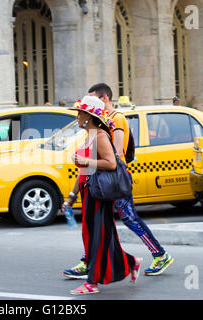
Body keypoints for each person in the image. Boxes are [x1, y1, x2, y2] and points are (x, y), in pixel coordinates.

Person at [63, 83, 173, 279]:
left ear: (104, 99)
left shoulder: (117, 119)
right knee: (98, 223)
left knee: (127, 218)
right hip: (102, 178)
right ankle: (89, 261)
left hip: (112, 181)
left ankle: (159, 254)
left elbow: (117, 155)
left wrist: (101, 171)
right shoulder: (96, 126)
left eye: (94, 100)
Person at [64, 95, 142, 295]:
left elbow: (111, 163)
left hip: (98, 194)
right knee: (100, 237)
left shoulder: (99, 135)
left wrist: (85, 161)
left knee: (97, 237)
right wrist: (72, 195)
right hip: (87, 193)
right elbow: (83, 170)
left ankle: (92, 283)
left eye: (80, 113)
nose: (77, 116)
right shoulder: (89, 135)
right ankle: (132, 262)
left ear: (89, 116)